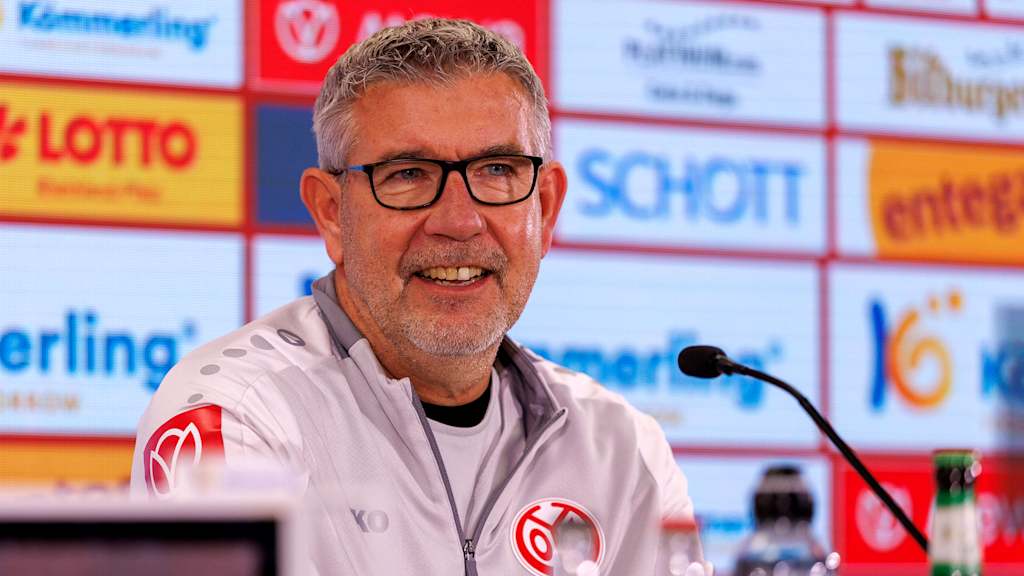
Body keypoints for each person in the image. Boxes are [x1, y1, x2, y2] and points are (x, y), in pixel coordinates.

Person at [131, 18, 705, 575]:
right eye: (408, 174)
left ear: (546, 208)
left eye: (497, 169)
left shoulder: (623, 451)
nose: (459, 221)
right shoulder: (232, 417)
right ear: (331, 214)